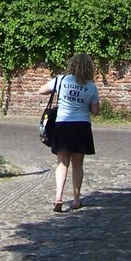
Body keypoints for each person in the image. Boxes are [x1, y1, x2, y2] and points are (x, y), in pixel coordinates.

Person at [38, 52, 100, 212]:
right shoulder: (91, 87)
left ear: (72, 65)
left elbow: (41, 90)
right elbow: (95, 111)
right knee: (77, 165)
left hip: (62, 124)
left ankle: (58, 197)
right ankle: (76, 200)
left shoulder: (62, 80)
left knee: (62, 163)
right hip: (81, 126)